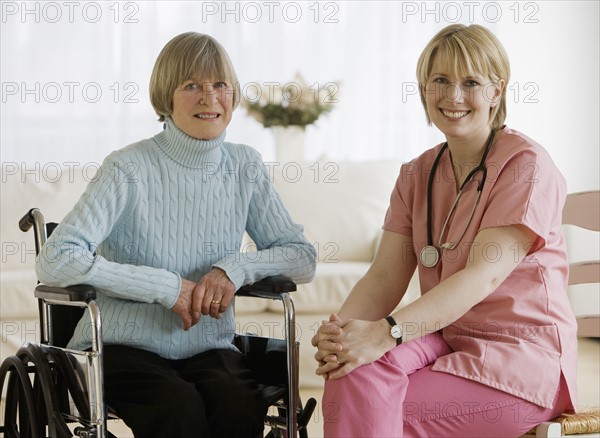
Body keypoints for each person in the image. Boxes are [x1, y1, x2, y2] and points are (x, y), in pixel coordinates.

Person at [36, 32, 316, 438]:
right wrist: (166, 288)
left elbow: (302, 256)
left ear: (234, 95)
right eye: (192, 86)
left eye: (220, 84)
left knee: (239, 405)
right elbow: (56, 257)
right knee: (179, 410)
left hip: (209, 347)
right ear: (166, 98)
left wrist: (234, 268)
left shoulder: (244, 166)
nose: (210, 97)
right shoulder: (127, 168)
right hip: (121, 347)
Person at [312, 23, 577, 437]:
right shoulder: (416, 173)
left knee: (372, 409)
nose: (453, 96)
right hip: (448, 341)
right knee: (350, 370)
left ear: (497, 90)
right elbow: (383, 276)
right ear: (423, 90)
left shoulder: (527, 166)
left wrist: (388, 331)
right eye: (440, 81)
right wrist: (340, 336)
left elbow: (482, 275)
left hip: (519, 361)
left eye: (470, 82)